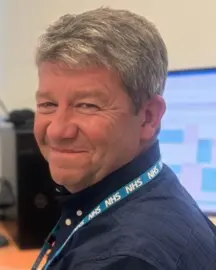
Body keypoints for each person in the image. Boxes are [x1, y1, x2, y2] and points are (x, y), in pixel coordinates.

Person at [31, 7, 216, 270]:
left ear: (148, 117)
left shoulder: (122, 259)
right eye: (47, 104)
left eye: (87, 105)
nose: (57, 131)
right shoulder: (156, 188)